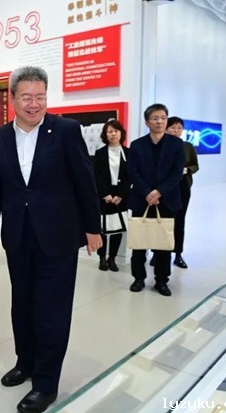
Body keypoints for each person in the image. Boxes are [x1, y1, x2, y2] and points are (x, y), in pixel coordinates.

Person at [0, 66, 102, 413]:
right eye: (26, 97)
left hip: (58, 235)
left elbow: (84, 181)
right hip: (18, 236)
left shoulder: (65, 130)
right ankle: (26, 362)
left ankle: (46, 384)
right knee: (22, 304)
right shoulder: (0, 138)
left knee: (52, 311)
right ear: (12, 98)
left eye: (40, 97)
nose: (34, 104)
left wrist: (92, 227)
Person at [128, 104, 185, 296]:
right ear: (147, 122)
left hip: (167, 199)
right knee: (139, 241)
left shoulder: (177, 145)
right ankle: (138, 278)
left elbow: (177, 173)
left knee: (163, 243)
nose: (159, 121)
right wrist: (148, 192)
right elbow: (133, 172)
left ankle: (161, 280)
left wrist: (159, 192)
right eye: (155, 118)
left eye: (163, 118)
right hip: (141, 199)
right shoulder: (137, 145)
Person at [93, 120, 130, 272]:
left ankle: (112, 258)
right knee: (103, 228)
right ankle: (102, 257)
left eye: (116, 131)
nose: (113, 134)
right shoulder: (100, 153)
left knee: (117, 228)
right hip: (104, 196)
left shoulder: (128, 153)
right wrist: (105, 194)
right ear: (105, 134)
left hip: (121, 195)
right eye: (110, 131)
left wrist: (120, 195)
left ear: (121, 133)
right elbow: (97, 176)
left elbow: (130, 176)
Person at [166, 116, 199, 268]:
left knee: (179, 220)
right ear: (166, 128)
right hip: (164, 188)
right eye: (173, 127)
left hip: (182, 186)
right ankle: (158, 252)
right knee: (163, 220)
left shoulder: (187, 146)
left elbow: (195, 165)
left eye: (179, 128)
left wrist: (187, 170)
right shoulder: (161, 146)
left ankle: (178, 253)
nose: (176, 130)